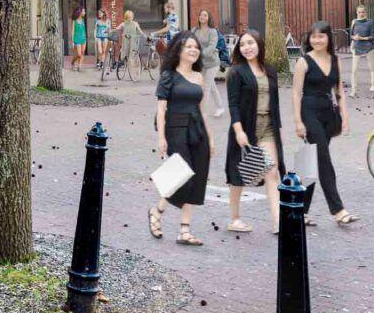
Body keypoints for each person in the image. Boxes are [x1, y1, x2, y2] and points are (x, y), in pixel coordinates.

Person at [149, 33, 212, 246]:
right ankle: (157, 211)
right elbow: (161, 109)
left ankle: (184, 231)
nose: (194, 50)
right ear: (179, 50)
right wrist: (161, 139)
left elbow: (203, 111)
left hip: (197, 130)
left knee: (198, 179)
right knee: (181, 175)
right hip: (176, 129)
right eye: (189, 47)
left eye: (196, 47)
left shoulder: (199, 77)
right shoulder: (169, 75)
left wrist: (210, 139)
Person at [292, 21, 357, 225]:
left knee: (311, 162)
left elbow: (339, 92)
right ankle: (338, 210)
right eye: (313, 36)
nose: (317, 40)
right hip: (309, 111)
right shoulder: (303, 62)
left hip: (328, 113)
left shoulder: (335, 60)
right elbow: (295, 93)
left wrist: (345, 118)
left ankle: (299, 211)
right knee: (324, 160)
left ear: (329, 37)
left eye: (321, 36)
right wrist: (298, 122)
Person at [225, 30, 285, 234]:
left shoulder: (269, 70)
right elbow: (233, 105)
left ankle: (278, 221)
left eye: (250, 43)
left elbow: (274, 101)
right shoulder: (236, 72)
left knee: (272, 172)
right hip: (245, 127)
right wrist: (238, 130)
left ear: (259, 44)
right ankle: (234, 218)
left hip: (267, 127)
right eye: (242, 44)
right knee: (238, 176)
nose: (247, 47)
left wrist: (278, 130)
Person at [192, 11, 226, 117]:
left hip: (212, 63)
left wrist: (198, 55)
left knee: (205, 87)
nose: (202, 17)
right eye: (200, 15)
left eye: (205, 15)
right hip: (202, 63)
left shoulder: (212, 32)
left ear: (208, 18)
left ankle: (201, 112)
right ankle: (220, 107)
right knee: (211, 86)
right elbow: (190, 42)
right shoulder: (195, 30)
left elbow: (211, 48)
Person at [347, 4, 374, 93]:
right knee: (354, 69)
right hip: (357, 46)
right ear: (357, 12)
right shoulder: (354, 22)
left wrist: (362, 38)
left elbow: (373, 36)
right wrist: (354, 38)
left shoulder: (370, 22)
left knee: (371, 67)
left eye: (363, 12)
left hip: (368, 46)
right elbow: (351, 35)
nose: (361, 14)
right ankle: (354, 89)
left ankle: (372, 84)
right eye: (359, 12)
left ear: (365, 12)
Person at [117, 10, 144, 74]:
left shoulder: (135, 24)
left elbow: (140, 31)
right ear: (126, 18)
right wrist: (110, 31)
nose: (130, 19)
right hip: (126, 42)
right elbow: (117, 28)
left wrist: (145, 36)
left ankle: (134, 71)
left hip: (133, 42)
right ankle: (123, 62)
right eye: (128, 17)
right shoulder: (123, 24)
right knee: (123, 52)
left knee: (132, 56)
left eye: (131, 17)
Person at [69, 6, 88, 70]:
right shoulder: (74, 21)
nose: (84, 12)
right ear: (80, 12)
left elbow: (84, 30)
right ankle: (73, 62)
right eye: (83, 11)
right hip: (76, 39)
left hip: (83, 39)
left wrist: (85, 38)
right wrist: (72, 41)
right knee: (78, 54)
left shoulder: (83, 20)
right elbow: (72, 31)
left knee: (82, 53)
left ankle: (79, 66)